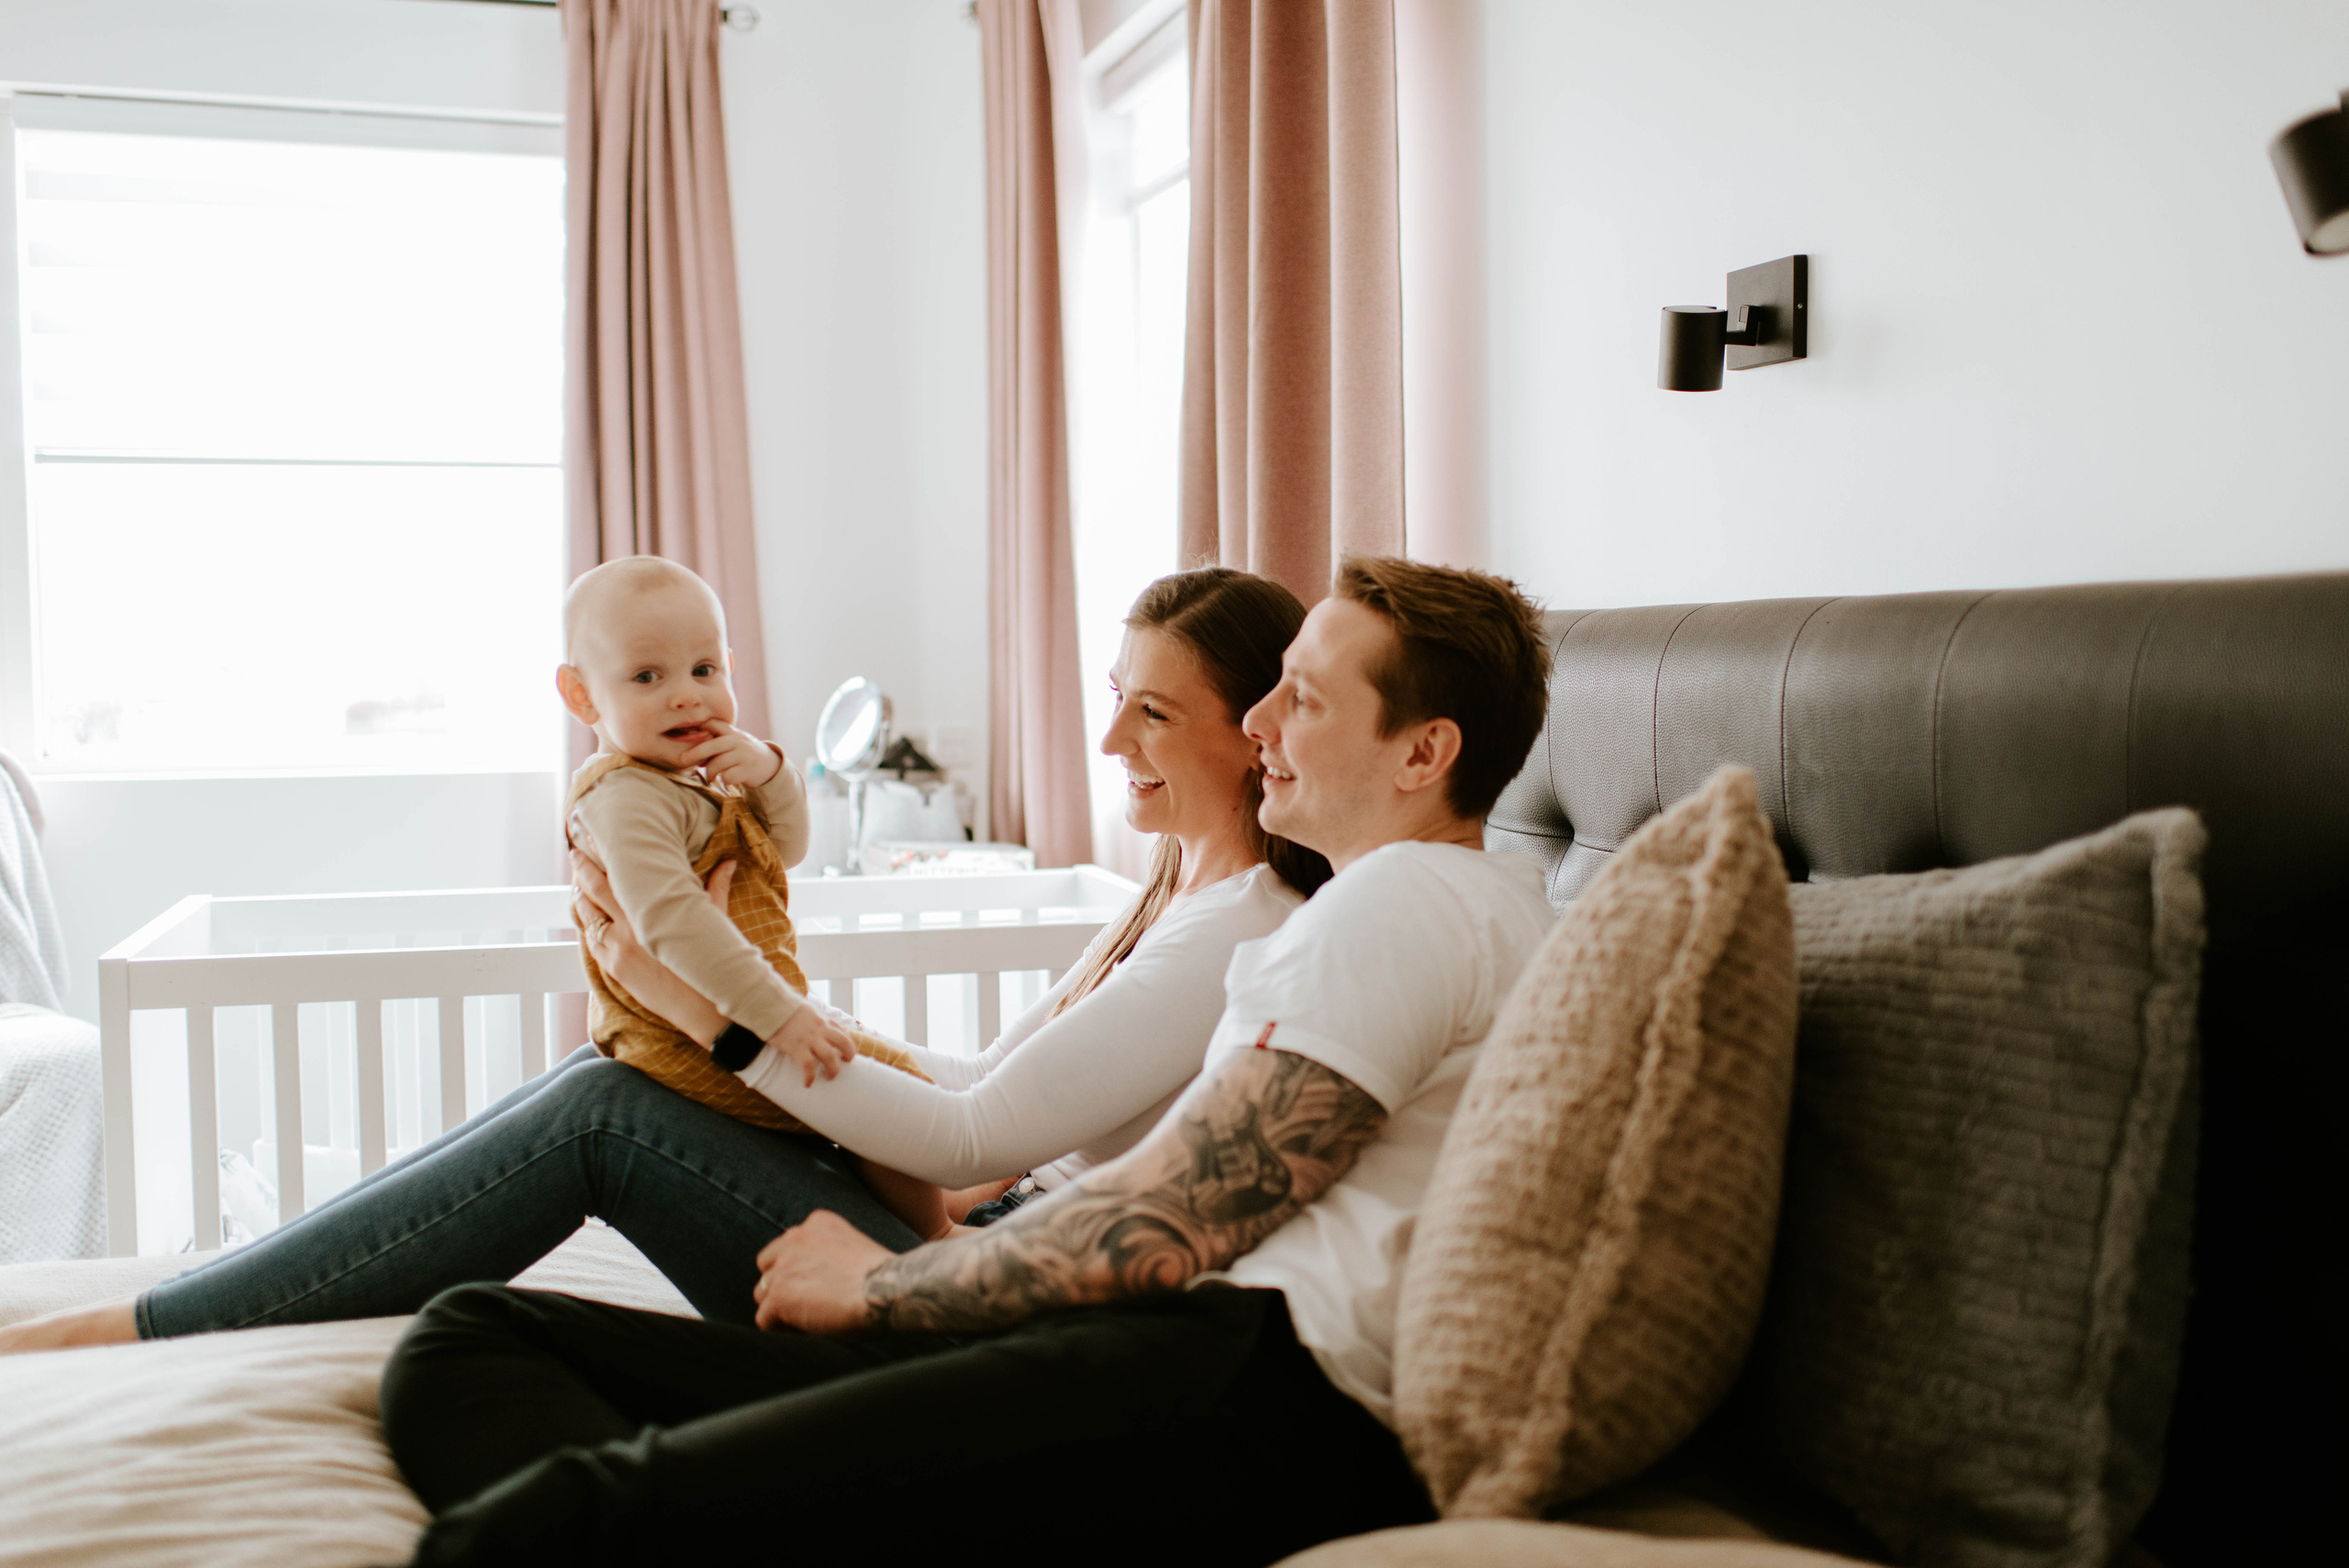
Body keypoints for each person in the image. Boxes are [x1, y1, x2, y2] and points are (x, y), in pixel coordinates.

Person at [377, 556, 1557, 1568]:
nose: (1257, 727)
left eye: (1299, 700)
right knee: (473, 1334)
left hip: (1246, 1380)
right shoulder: (1438, 905)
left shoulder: (1395, 904)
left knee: (539, 1501)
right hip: (1190, 1351)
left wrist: (886, 1276)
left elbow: (1178, 1212)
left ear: (1423, 753)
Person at [0, 568, 1324, 1355]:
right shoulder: (1169, 888)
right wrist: (749, 1016)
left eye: (1151, 713)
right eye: (1112, 699)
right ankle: (212, 1285)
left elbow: (972, 1132)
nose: (1109, 746)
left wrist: (718, 1016)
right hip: (968, 1220)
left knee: (599, 1110)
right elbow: (980, 1083)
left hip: (986, 1282)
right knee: (598, 1073)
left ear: (1260, 728)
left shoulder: (1244, 927)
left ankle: (150, 1325)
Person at [555, 554, 942, 1240]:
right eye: (648, 676)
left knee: (879, 1096)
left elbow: (787, 846)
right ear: (582, 696)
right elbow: (671, 920)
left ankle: (927, 1212)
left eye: (705, 670)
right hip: (684, 1036)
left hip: (734, 1018)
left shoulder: (694, 780)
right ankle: (933, 1238)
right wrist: (779, 1017)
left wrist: (768, 771)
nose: (687, 695)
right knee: (897, 1089)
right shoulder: (624, 795)